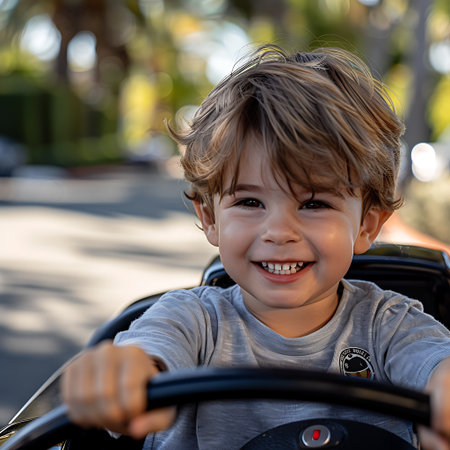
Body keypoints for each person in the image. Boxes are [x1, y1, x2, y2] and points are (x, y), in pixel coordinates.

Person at [61, 44, 450, 449]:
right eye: (249, 202)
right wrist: (129, 375)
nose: (279, 231)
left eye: (314, 203)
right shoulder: (192, 322)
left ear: (367, 225)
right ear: (210, 218)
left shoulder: (390, 326)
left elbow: (434, 360)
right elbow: (151, 351)